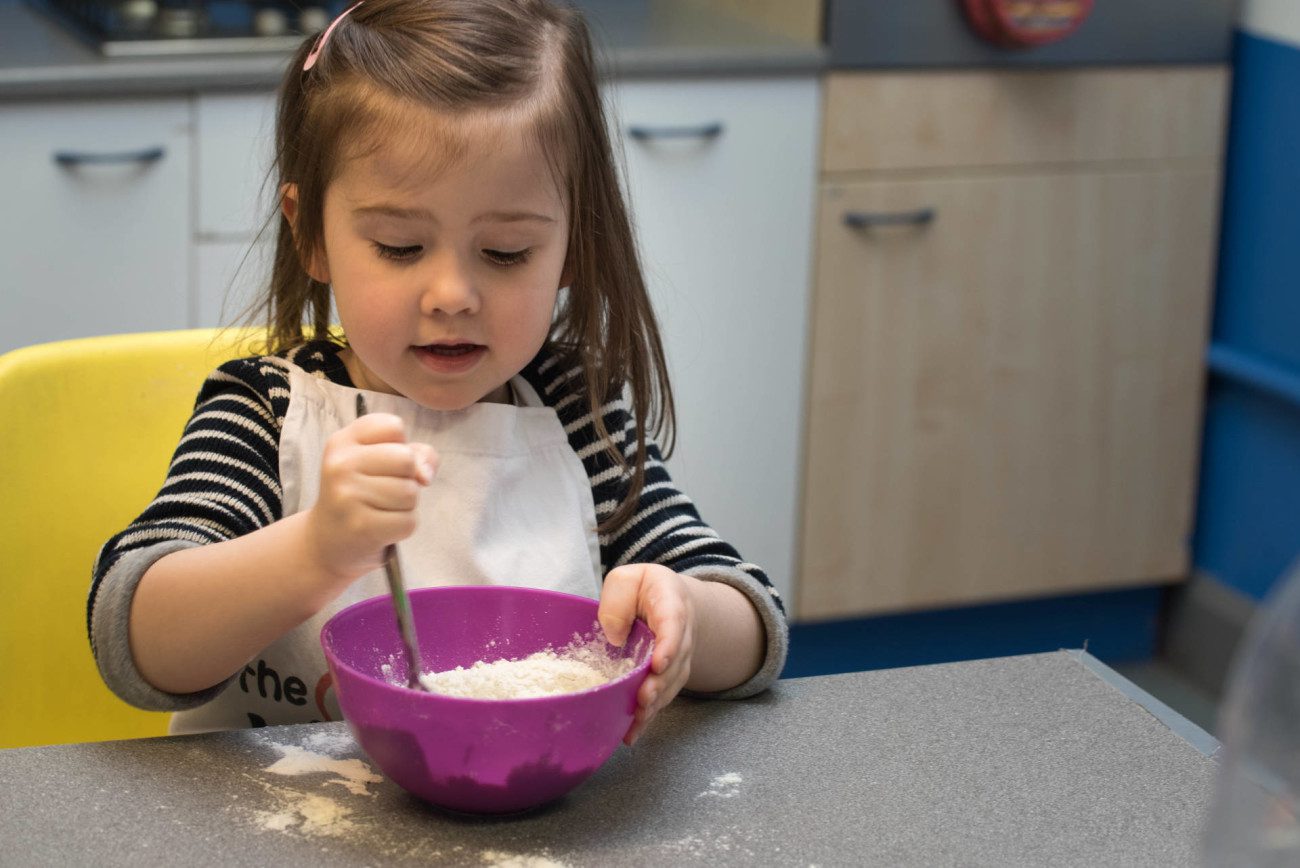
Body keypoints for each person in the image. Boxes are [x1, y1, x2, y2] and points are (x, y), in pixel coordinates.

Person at [88, 0, 787, 742]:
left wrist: (685, 613)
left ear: (570, 249)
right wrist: (315, 548)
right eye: (399, 246)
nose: (452, 295)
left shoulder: (579, 414)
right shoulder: (263, 412)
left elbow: (754, 624)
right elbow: (135, 642)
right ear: (311, 237)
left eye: (506, 252)